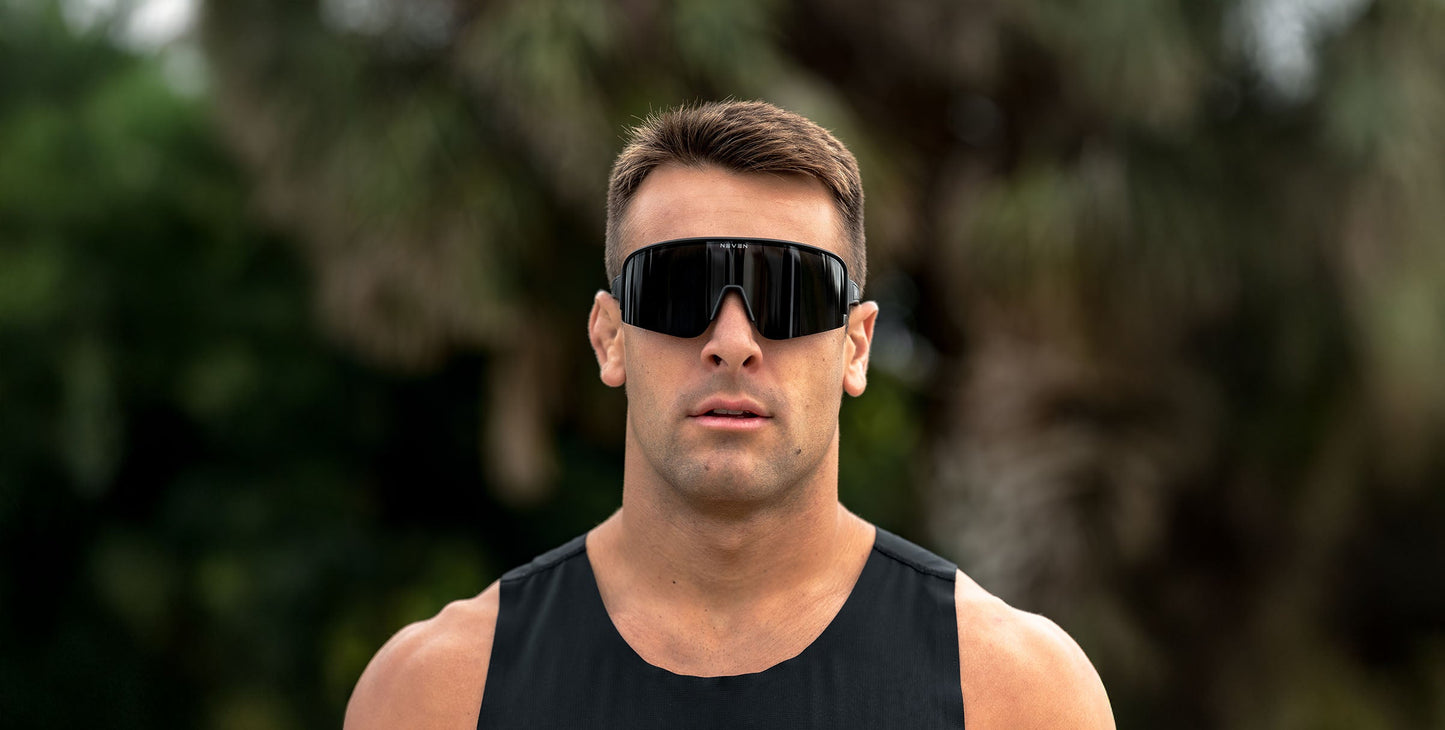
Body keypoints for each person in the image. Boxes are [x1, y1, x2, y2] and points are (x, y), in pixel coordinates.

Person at [345, 100, 1115, 728]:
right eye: (679, 288)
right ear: (609, 339)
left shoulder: (1015, 697)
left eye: (791, 292)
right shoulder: (436, 696)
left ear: (855, 347)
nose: (733, 341)